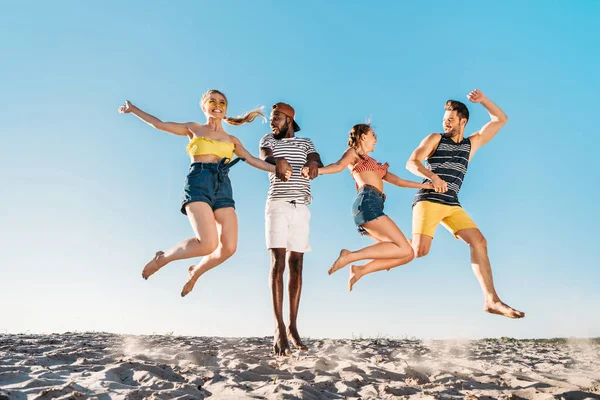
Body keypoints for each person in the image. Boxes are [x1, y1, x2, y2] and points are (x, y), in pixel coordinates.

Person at [118, 90, 289, 297]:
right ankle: (163, 258)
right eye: (213, 101)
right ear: (204, 106)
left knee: (229, 248)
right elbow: (160, 124)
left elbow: (253, 160)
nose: (218, 105)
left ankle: (196, 272)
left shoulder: (232, 139)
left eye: (222, 102)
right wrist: (133, 109)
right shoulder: (194, 128)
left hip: (223, 186)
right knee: (208, 244)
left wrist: (279, 170)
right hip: (199, 182)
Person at [406, 89, 525, 319]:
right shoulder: (435, 139)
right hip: (428, 200)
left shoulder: (471, 144)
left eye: (450, 120)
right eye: (444, 120)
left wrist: (484, 101)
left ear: (463, 121)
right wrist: (434, 177)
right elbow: (411, 162)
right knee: (419, 251)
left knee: (479, 241)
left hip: (452, 203)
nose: (446, 124)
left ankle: (491, 300)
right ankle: (391, 244)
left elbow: (501, 120)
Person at [308, 123, 432, 291]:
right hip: (367, 202)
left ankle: (360, 269)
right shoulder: (354, 154)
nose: (376, 139)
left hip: (373, 204)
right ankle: (350, 256)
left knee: (408, 253)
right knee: (404, 247)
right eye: (373, 135)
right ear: (363, 136)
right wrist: (317, 171)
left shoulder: (375, 164)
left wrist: (428, 186)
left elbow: (399, 181)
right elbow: (338, 166)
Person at [259, 102, 322, 356]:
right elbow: (266, 156)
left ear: (289, 120)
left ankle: (293, 326)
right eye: (271, 118)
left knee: (297, 265)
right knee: (278, 263)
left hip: (302, 207)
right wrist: (278, 159)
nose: (272, 122)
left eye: (276, 118)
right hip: (277, 204)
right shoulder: (268, 140)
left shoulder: (305, 142)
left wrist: (314, 163)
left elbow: (315, 158)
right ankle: (278, 327)